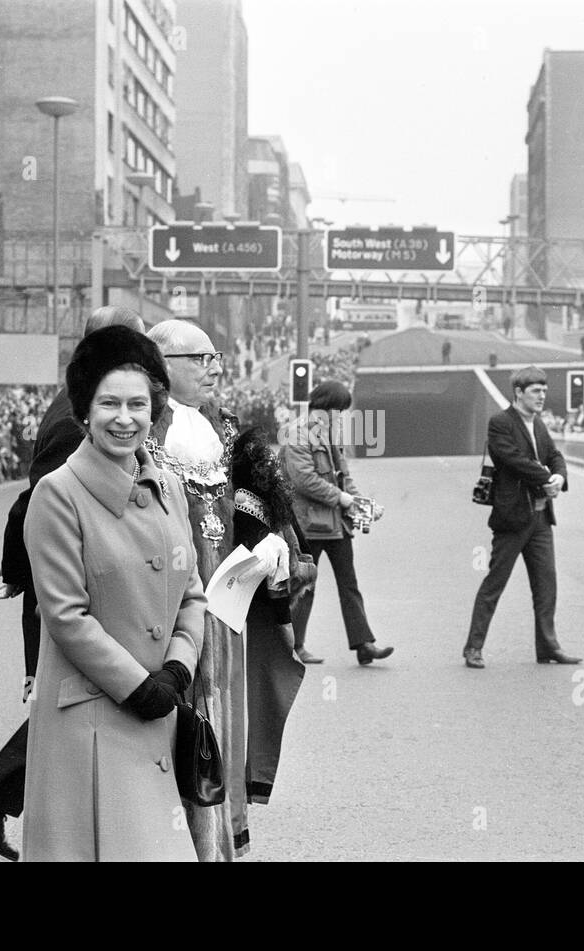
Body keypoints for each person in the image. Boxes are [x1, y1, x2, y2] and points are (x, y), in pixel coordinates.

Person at [0, 305, 144, 860]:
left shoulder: (91, 403)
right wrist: (18, 572)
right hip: (73, 589)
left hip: (90, 583)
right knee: (71, 700)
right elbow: (35, 503)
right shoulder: (76, 418)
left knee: (75, 702)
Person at [20, 325, 203, 862]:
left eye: (137, 404)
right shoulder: (57, 495)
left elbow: (192, 592)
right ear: (84, 412)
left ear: (155, 412)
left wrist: (177, 668)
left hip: (160, 711)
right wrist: (137, 686)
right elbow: (65, 615)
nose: (124, 418)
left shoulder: (168, 485)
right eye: (109, 404)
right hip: (91, 725)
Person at [145, 318, 298, 861]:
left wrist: (272, 540)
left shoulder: (227, 428)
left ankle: (219, 845)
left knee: (224, 720)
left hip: (228, 606)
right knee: (173, 725)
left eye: (215, 359)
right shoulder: (141, 430)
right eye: (199, 360)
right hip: (166, 610)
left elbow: (252, 500)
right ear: (162, 365)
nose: (213, 370)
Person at [463, 366, 581, 669]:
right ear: (519, 392)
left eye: (544, 390)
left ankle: (548, 648)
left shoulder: (539, 424)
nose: (542, 396)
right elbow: (512, 459)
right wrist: (546, 478)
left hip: (541, 519)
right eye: (535, 391)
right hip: (513, 519)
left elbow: (555, 455)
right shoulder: (501, 423)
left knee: (546, 586)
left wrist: (559, 476)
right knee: (495, 584)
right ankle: (473, 648)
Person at [283, 380, 395, 667]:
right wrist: (344, 500)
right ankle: (294, 646)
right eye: (339, 411)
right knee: (304, 586)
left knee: (349, 583)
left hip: (335, 524)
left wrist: (362, 504)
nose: (340, 417)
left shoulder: (328, 434)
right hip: (308, 524)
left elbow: (343, 478)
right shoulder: (297, 433)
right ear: (326, 408)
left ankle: (364, 644)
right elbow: (304, 479)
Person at [229, 427, 310, 804]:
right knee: (252, 698)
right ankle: (247, 778)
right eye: (266, 461)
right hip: (248, 615)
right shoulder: (247, 504)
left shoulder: (262, 500)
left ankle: (249, 777)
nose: (274, 467)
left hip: (252, 611)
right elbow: (271, 573)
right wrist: (283, 624)